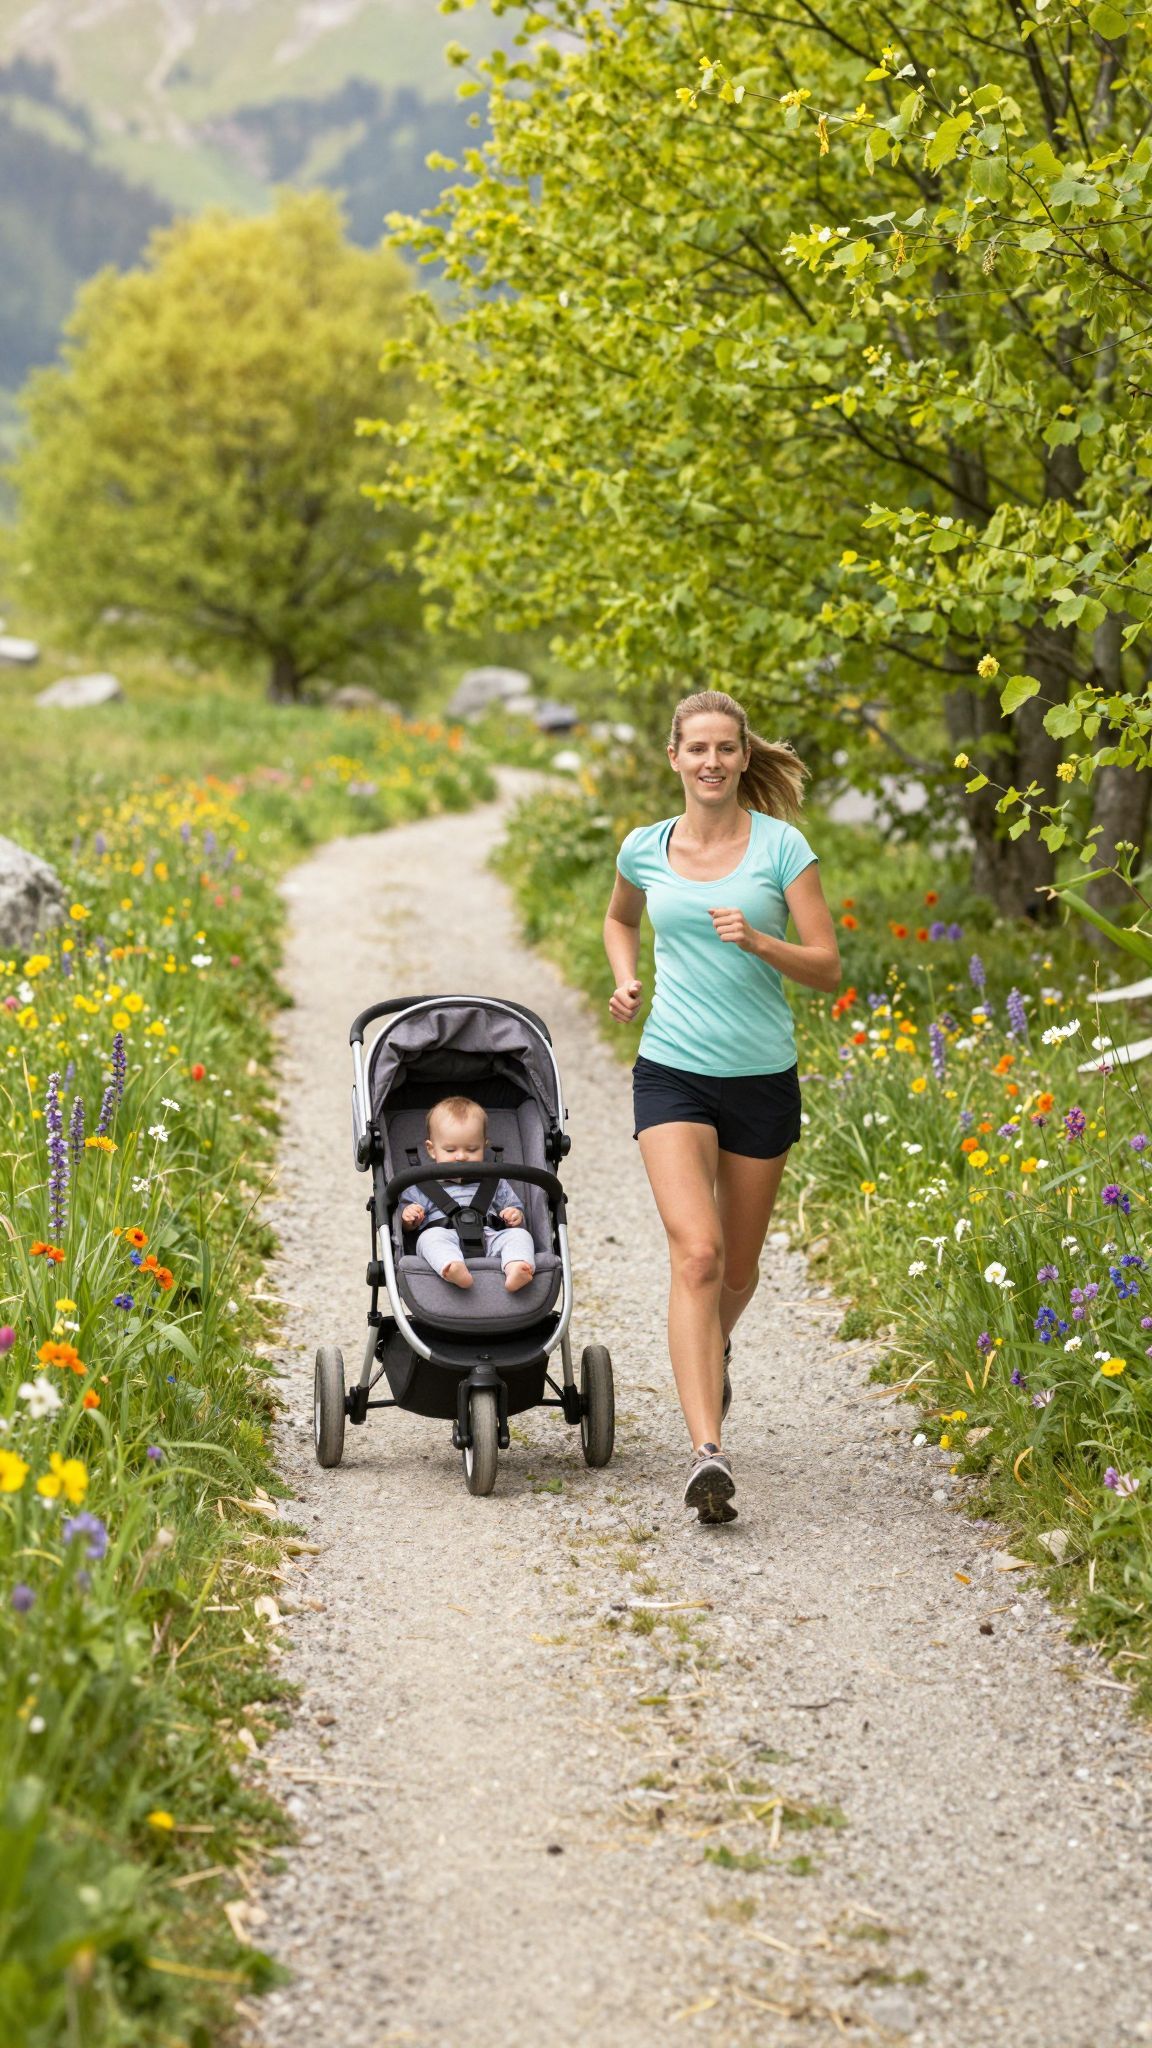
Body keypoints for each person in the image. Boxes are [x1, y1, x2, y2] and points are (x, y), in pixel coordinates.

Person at [603, 689, 840, 1524]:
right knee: (696, 1255)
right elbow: (618, 918)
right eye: (696, 749)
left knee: (737, 1271)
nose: (711, 762)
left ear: (743, 757)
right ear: (673, 756)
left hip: (761, 1078)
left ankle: (714, 1343)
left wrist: (764, 942)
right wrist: (625, 976)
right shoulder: (645, 847)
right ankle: (708, 1451)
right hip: (671, 1070)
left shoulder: (782, 848)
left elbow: (827, 966)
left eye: (725, 750)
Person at [400, 1096, 536, 1293]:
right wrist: (409, 1217)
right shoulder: (420, 1185)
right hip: (445, 1236)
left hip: (489, 1237)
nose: (461, 1156)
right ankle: (451, 1266)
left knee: (519, 1235)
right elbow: (405, 1223)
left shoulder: (493, 1181)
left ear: (484, 1145)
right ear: (431, 1149)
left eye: (472, 1149)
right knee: (428, 1239)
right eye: (450, 1149)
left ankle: (516, 1267)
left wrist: (514, 1215)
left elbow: (513, 1208)